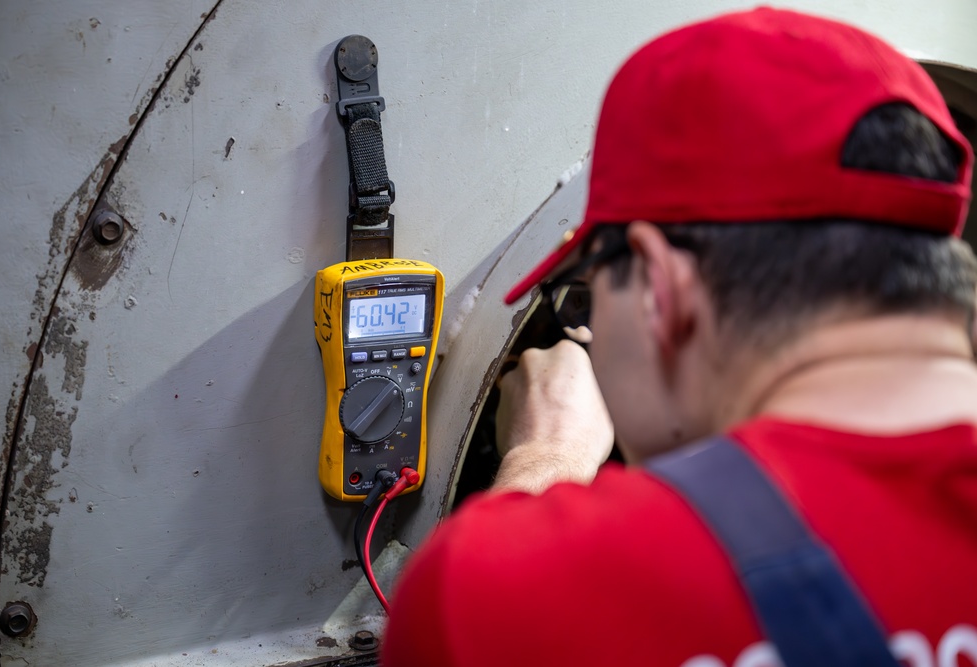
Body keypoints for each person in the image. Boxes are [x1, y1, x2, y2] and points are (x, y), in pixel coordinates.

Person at [382, 7, 977, 667]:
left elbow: (499, 605)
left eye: (585, 292)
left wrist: (544, 466)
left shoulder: (490, 595)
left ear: (659, 287)